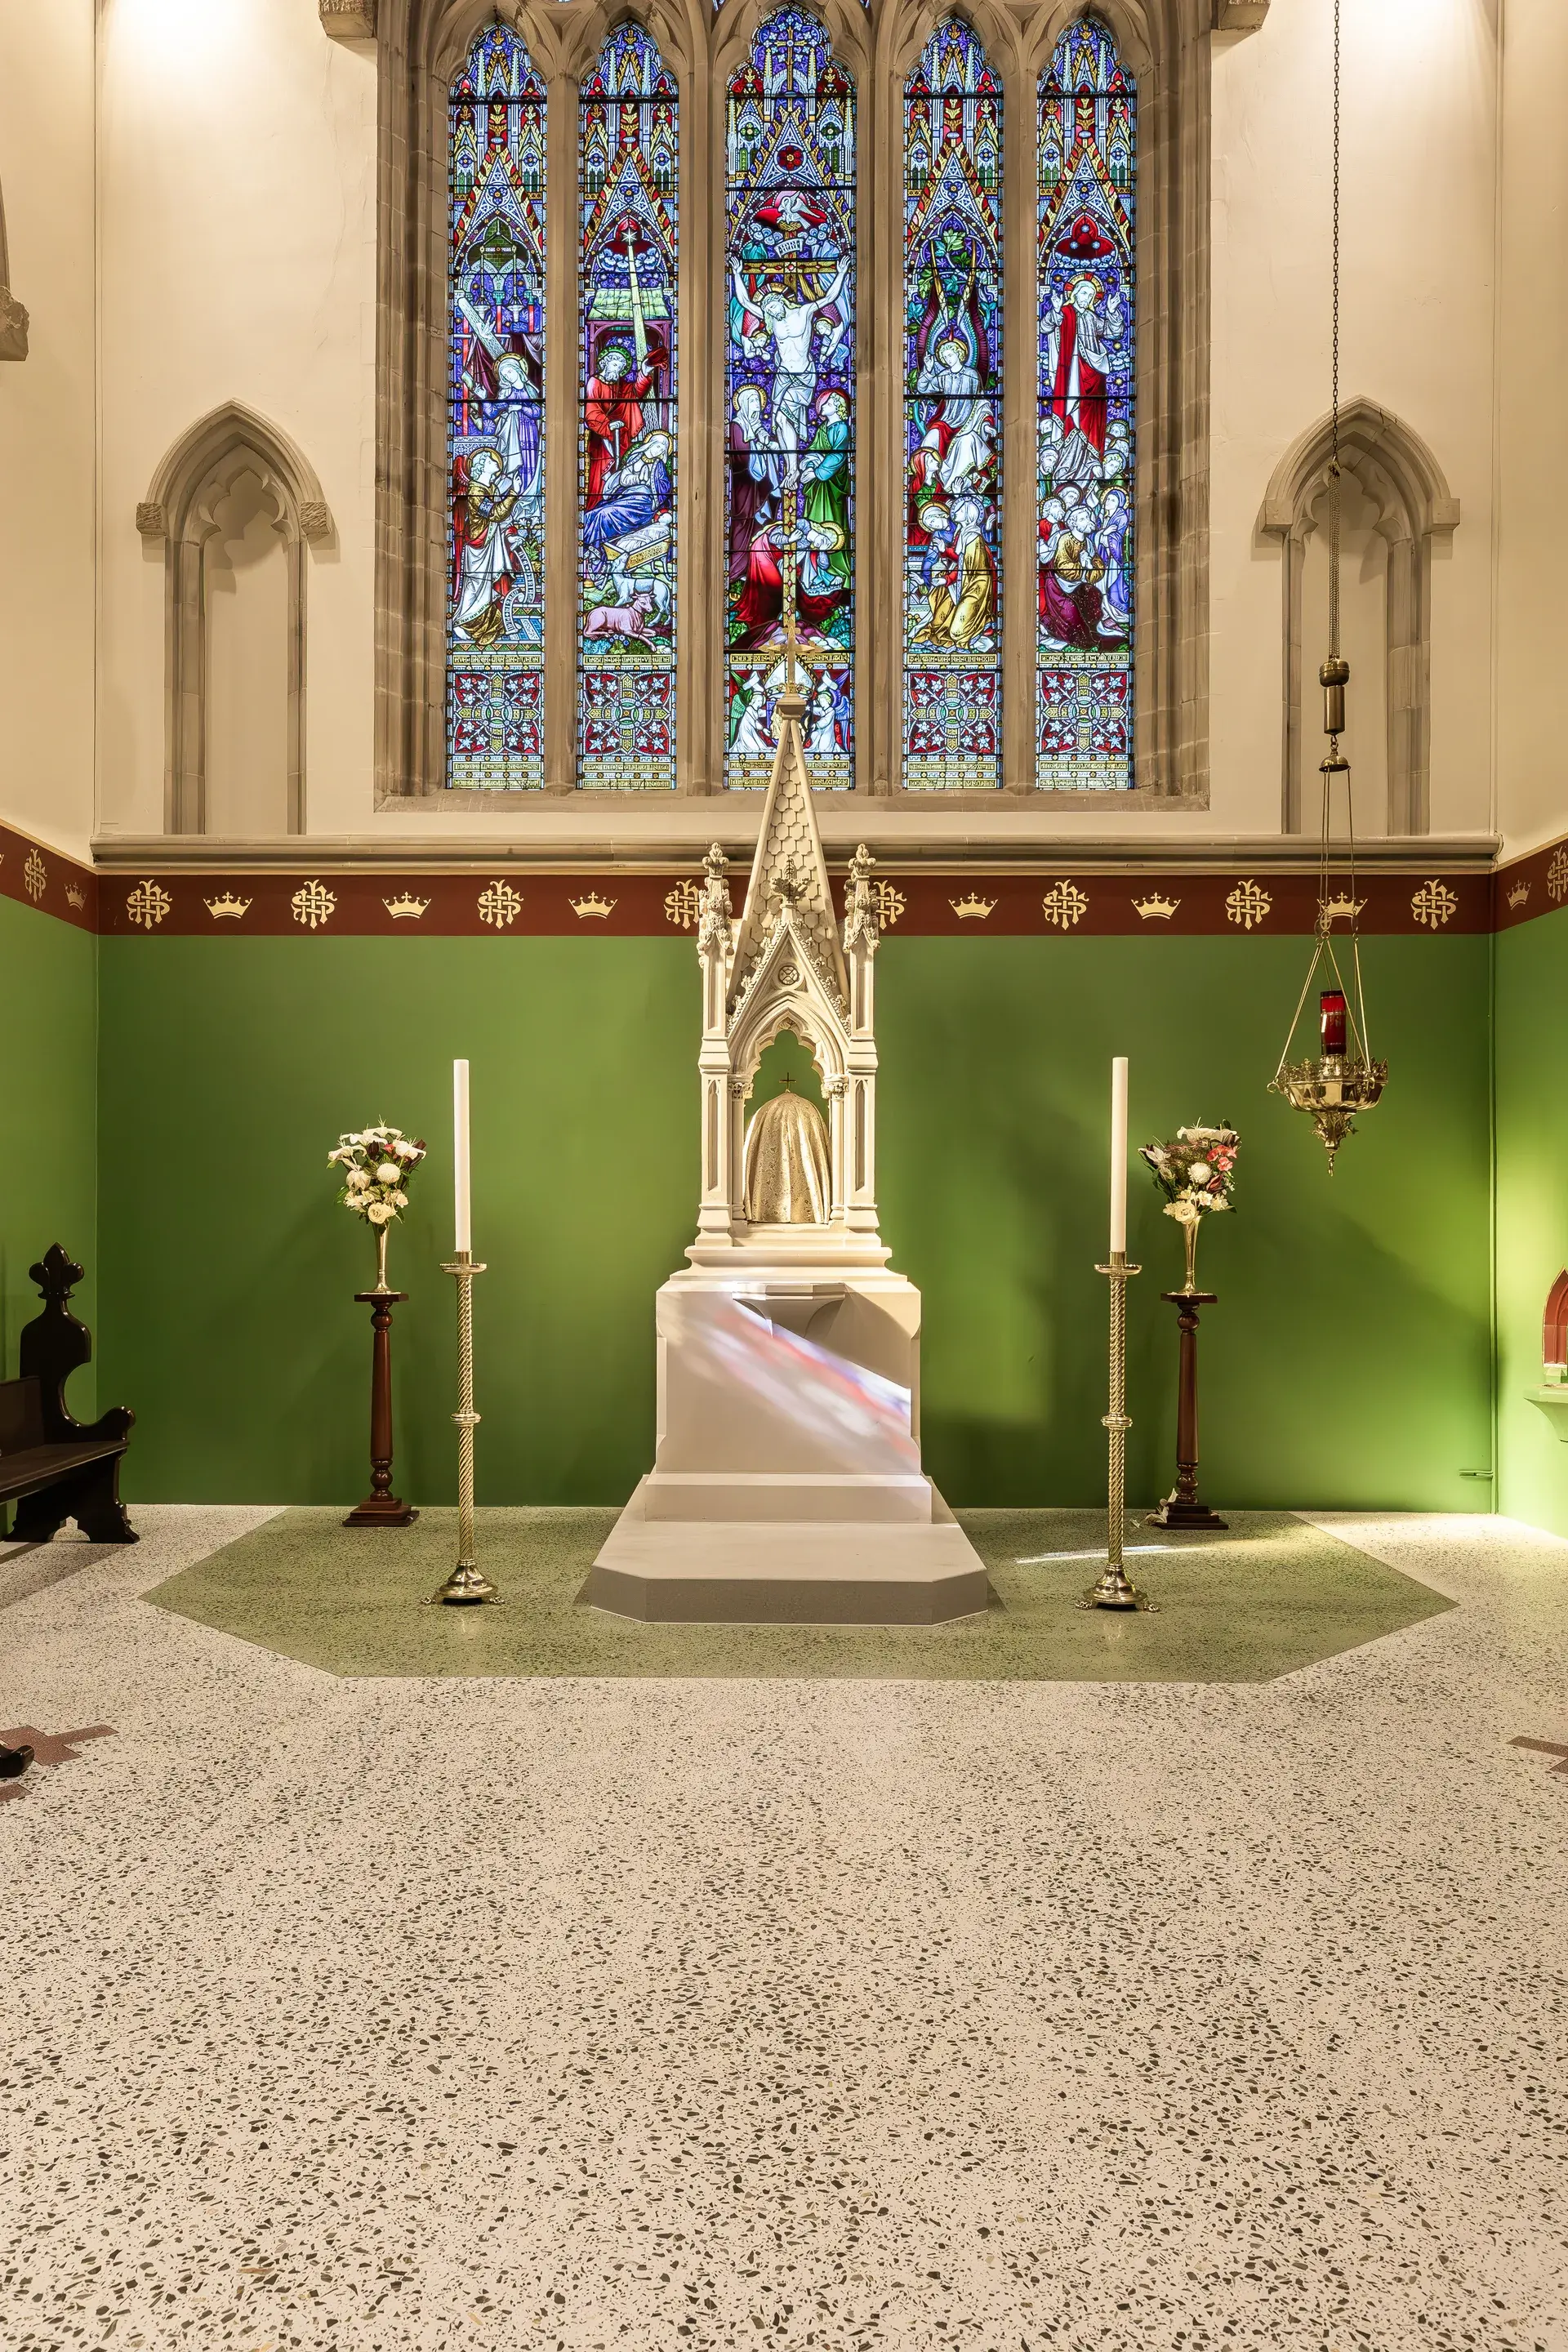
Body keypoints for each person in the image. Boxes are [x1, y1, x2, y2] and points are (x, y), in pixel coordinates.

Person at [732, 255, 849, 459]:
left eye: (770, 307)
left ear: (779, 300)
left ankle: (793, 467)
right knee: (779, 420)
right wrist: (736, 274)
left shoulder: (804, 312)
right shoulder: (772, 320)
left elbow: (829, 298)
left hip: (803, 375)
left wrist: (840, 273)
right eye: (766, 311)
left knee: (783, 416)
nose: (769, 312)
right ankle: (790, 467)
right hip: (783, 374)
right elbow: (744, 302)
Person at [583, 337, 666, 514]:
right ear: (606, 362)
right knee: (601, 473)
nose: (618, 370)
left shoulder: (621, 386)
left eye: (621, 367)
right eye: (615, 365)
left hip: (621, 436)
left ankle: (614, 504)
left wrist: (644, 371)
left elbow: (636, 392)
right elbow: (591, 412)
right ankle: (595, 507)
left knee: (619, 470)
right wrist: (608, 425)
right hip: (601, 439)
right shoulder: (594, 383)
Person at [450, 448, 520, 648]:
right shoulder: (475, 491)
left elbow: (500, 518)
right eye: (492, 461)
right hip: (478, 548)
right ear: (482, 466)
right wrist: (513, 493)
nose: (496, 462)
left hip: (488, 544)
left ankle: (486, 624)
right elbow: (494, 514)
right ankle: (461, 622)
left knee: (486, 590)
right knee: (475, 589)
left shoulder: (488, 489)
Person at [911, 495, 996, 650]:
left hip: (974, 584)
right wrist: (926, 579)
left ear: (942, 514)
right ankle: (939, 630)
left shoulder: (968, 533)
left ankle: (970, 633)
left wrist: (946, 553)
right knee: (938, 595)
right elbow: (932, 559)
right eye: (929, 524)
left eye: (932, 520)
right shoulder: (951, 534)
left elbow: (968, 565)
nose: (931, 525)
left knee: (957, 630)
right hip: (959, 579)